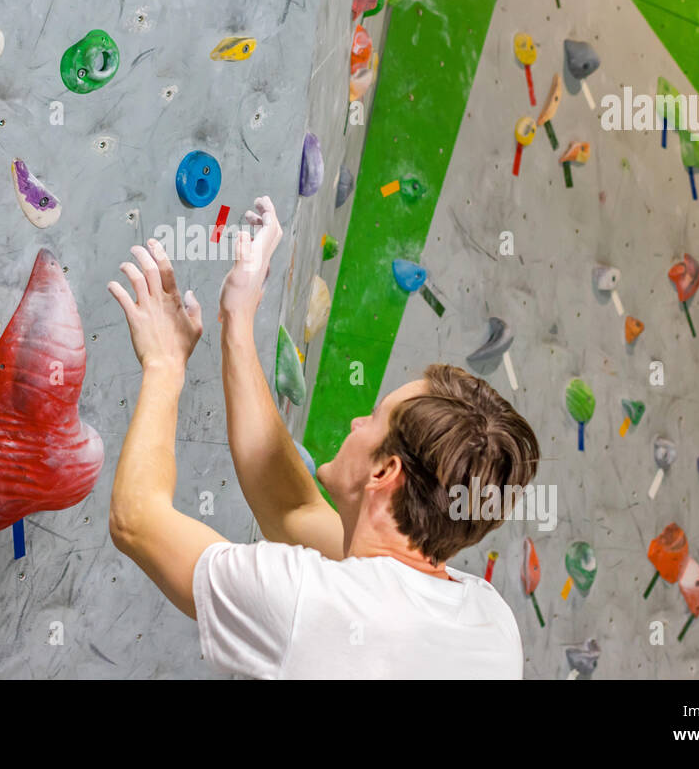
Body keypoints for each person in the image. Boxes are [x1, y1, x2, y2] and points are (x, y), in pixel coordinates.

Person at [107, 196, 540, 679]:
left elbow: (136, 520)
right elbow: (292, 510)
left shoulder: (308, 606)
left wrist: (165, 364)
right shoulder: (489, 623)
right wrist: (239, 318)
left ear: (384, 472)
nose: (357, 423)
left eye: (374, 419)